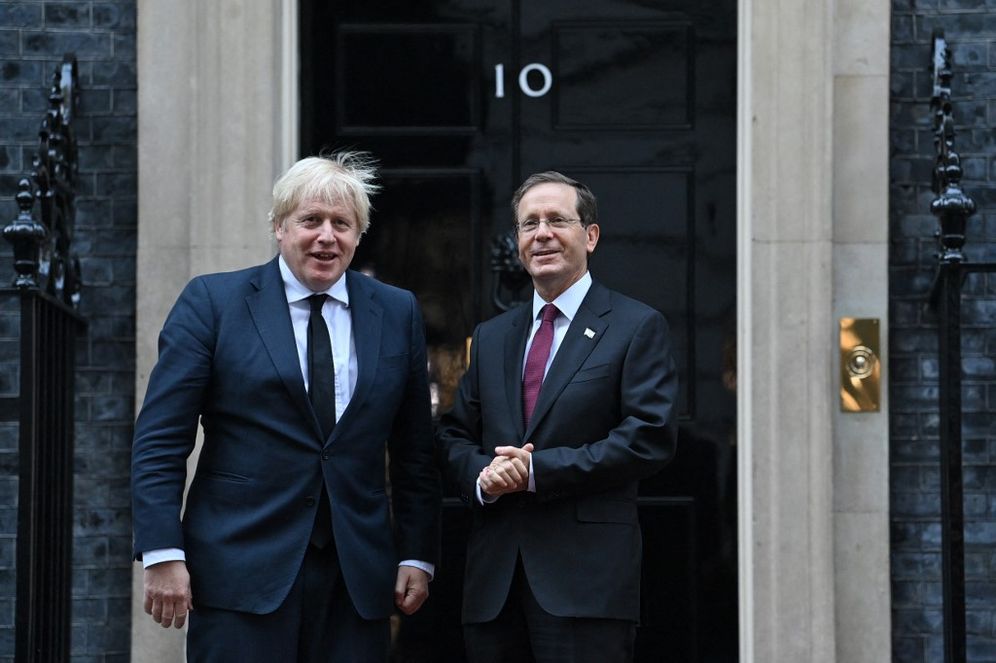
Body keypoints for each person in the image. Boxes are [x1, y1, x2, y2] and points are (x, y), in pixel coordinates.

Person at [131, 152, 441, 662]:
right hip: (239, 570)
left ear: (358, 234)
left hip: (356, 576)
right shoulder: (214, 302)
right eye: (310, 220)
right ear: (279, 227)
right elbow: (161, 439)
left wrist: (416, 552)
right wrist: (163, 552)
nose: (326, 236)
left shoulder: (396, 310)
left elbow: (414, 450)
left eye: (342, 223)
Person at [437, 171, 678, 663]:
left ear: (590, 236)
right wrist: (484, 476)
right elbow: (454, 433)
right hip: (494, 587)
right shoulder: (492, 336)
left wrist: (536, 473)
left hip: (585, 586)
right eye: (529, 224)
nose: (541, 234)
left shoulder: (635, 326)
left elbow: (647, 437)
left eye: (556, 221)